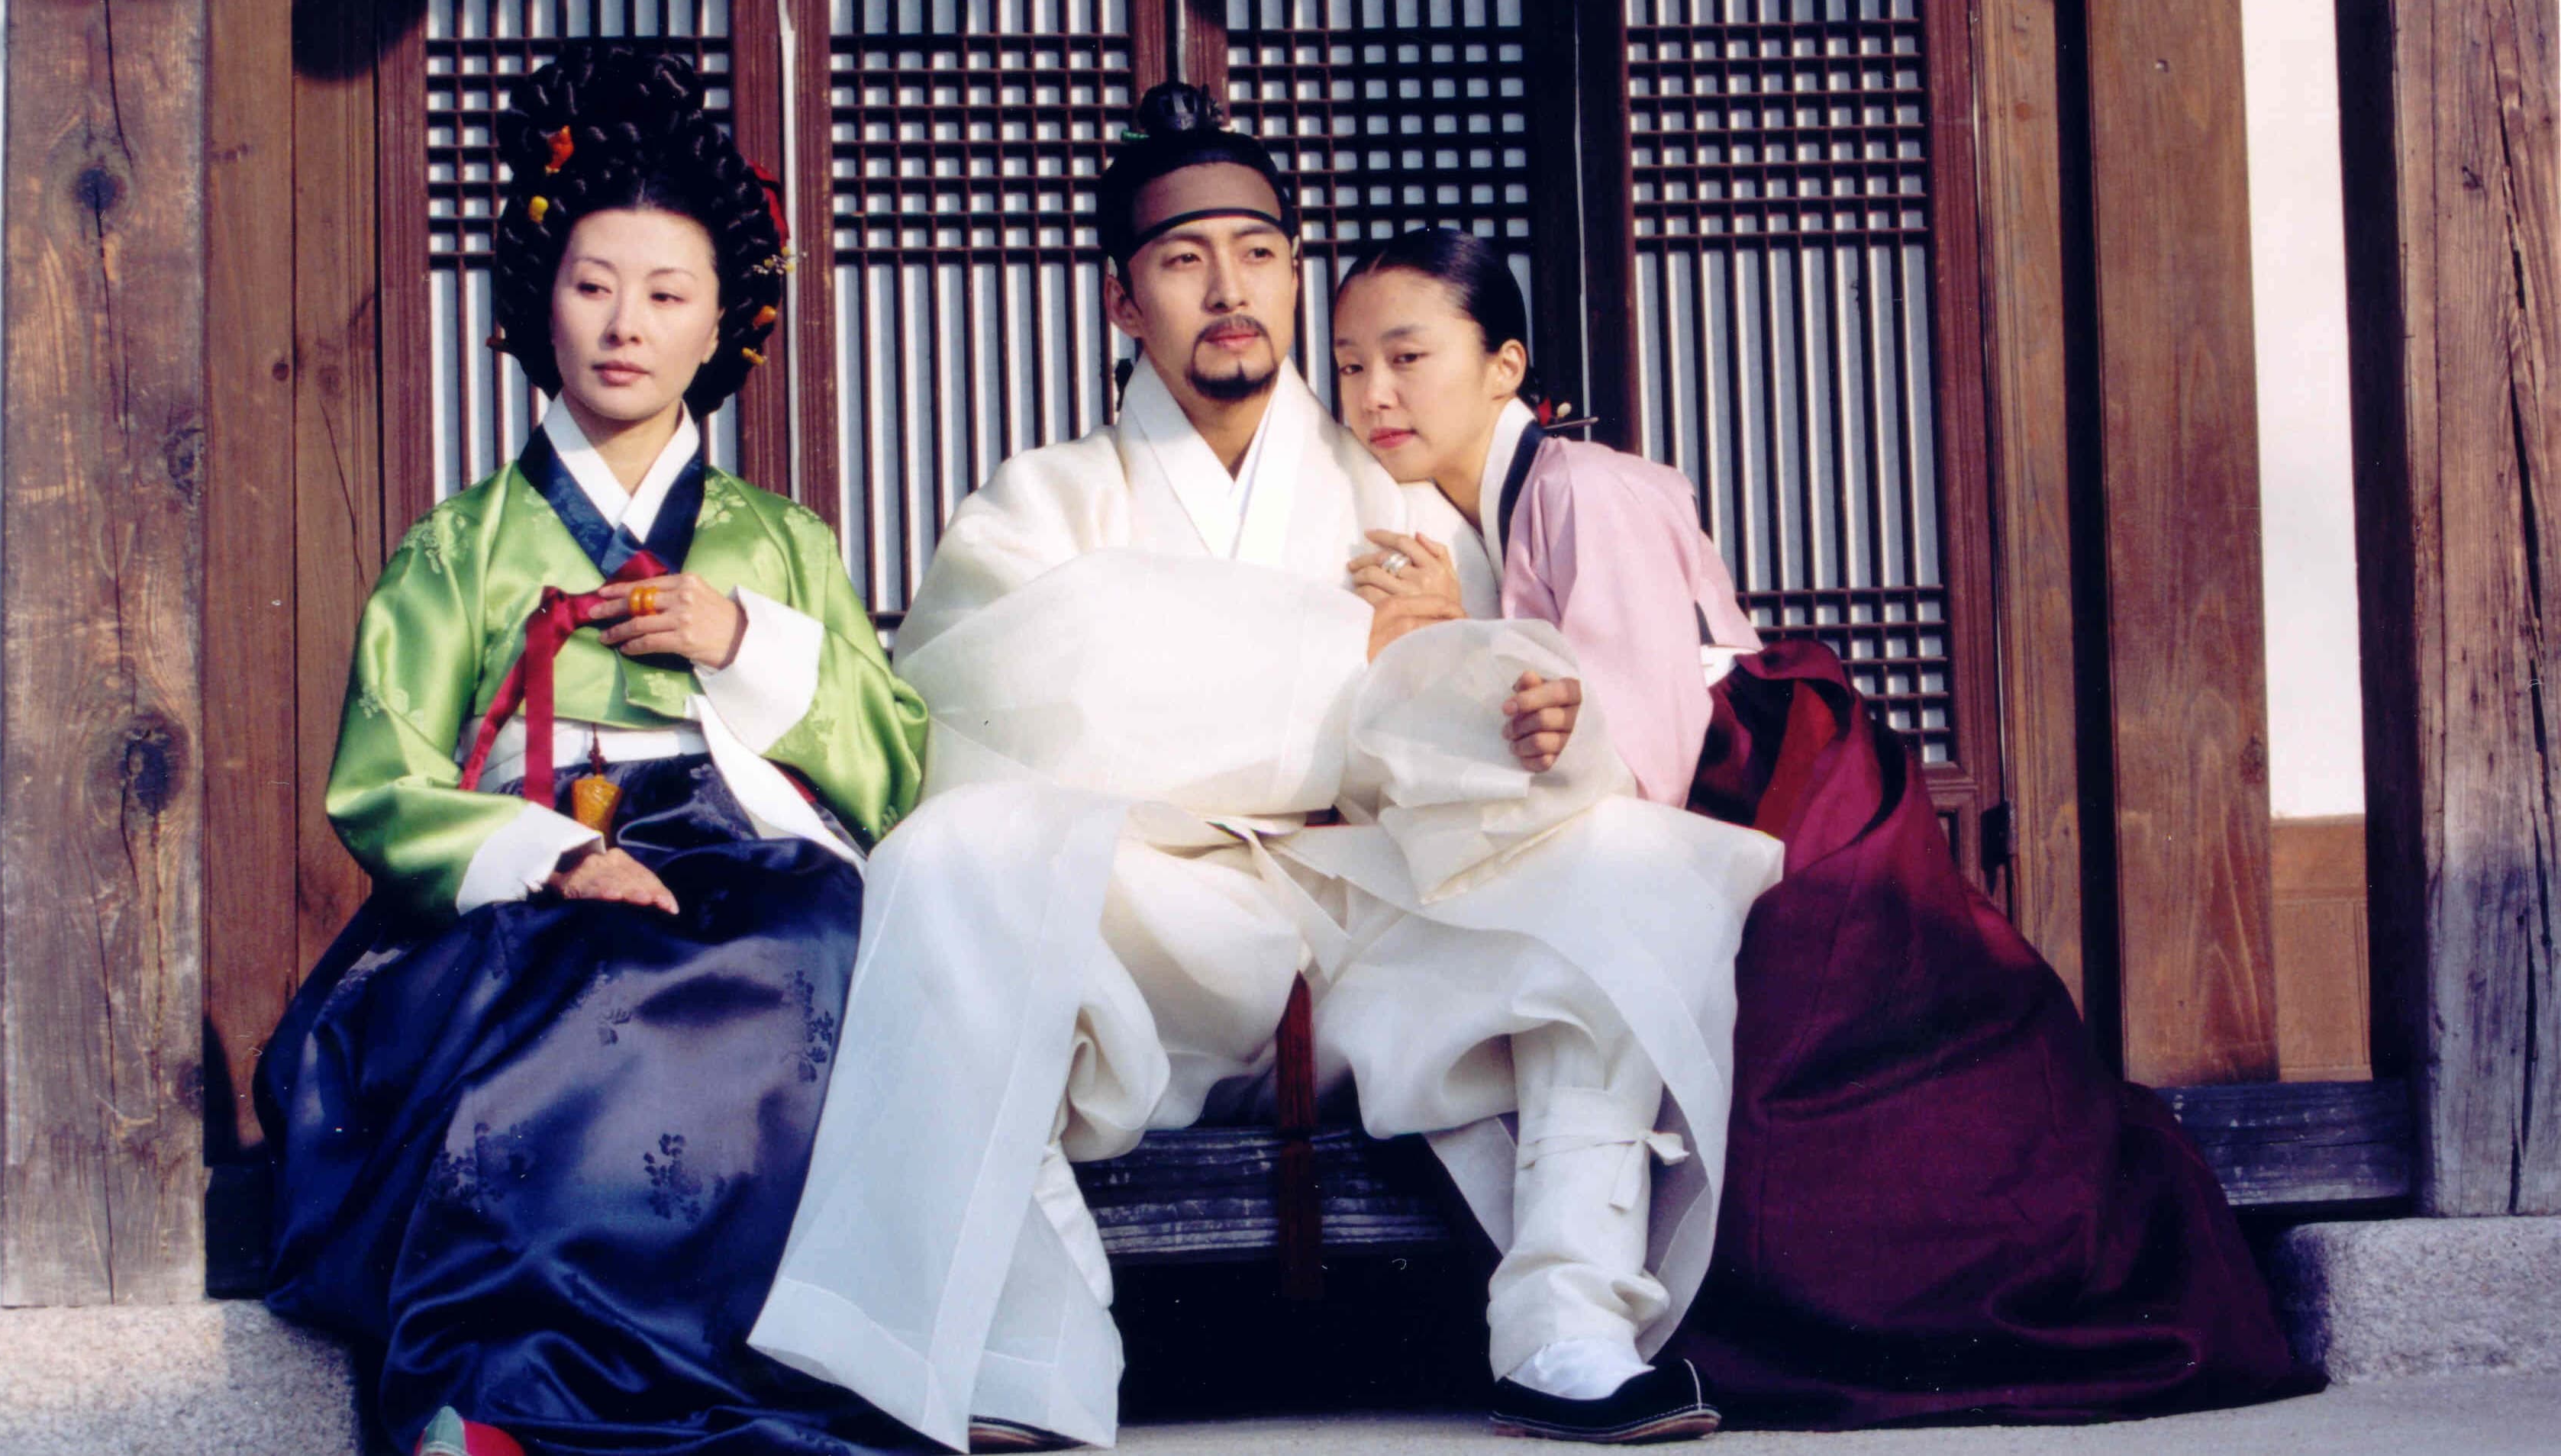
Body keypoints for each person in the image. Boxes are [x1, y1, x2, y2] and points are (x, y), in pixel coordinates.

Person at [750, 85, 1785, 1451]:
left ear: (1295, 276)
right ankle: (1029, 1343)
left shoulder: (1399, 493)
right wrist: (1345, 654)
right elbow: (1005, 710)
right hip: (1153, 928)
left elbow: (1466, 764)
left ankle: (1568, 1328)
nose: (1229, 289)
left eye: (1257, 253)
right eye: (1184, 260)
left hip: (1363, 924)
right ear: (1124, 304)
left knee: (1627, 863)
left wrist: (1493, 689)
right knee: (950, 856)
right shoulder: (1041, 501)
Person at [1327, 226, 2316, 1428]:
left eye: (1408, 357)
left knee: (1819, 1091)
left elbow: (1643, 734)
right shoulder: (1476, 509)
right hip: (1707, 779)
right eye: (1350, 365)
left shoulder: (1584, 487)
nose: (1375, 395)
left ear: (1504, 366)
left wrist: (1473, 660)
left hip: (1757, 779)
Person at [256, 47, 928, 1456]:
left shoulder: (781, 544)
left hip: (743, 856)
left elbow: (890, 762)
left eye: (668, 295)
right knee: (568, 982)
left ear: (721, 323)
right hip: (535, 866)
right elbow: (384, 782)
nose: (626, 326)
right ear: (539, 305)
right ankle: (504, 1396)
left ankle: (702, 1379)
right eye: (592, 286)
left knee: (803, 941)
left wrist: (745, 641)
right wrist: (556, 854)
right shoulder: (462, 547)